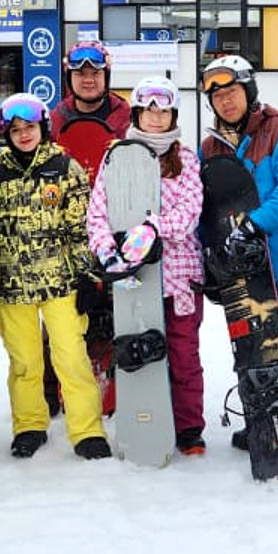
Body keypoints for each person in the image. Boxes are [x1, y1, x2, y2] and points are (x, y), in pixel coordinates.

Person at [0, 93, 108, 459]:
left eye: (30, 127)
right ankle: (29, 425)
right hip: (12, 284)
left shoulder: (63, 166)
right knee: (24, 362)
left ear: (43, 128)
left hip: (59, 281)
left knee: (70, 357)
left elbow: (80, 226)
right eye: (16, 129)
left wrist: (88, 274)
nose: (24, 135)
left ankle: (87, 431)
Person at [200, 54, 278, 445]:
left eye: (232, 91)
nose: (226, 101)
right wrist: (211, 262)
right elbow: (208, 209)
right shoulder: (211, 147)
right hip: (240, 270)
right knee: (252, 353)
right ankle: (263, 424)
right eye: (217, 96)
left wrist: (254, 224)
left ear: (248, 91)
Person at [86, 76, 207, 453]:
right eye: (149, 110)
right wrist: (110, 254)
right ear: (138, 112)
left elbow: (189, 213)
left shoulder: (184, 158)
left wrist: (153, 228)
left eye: (164, 110)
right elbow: (98, 214)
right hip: (134, 276)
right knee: (136, 350)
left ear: (173, 114)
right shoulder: (117, 155)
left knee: (183, 353)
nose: (156, 118)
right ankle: (143, 418)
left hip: (178, 276)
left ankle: (188, 427)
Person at [47, 40, 131, 416]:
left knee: (116, 310)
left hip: (117, 229)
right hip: (63, 231)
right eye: (80, 73)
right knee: (62, 314)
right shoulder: (54, 120)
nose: (87, 79)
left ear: (105, 76)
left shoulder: (127, 119)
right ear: (70, 77)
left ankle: (119, 381)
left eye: (94, 73)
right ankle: (54, 391)